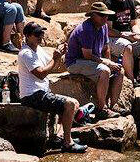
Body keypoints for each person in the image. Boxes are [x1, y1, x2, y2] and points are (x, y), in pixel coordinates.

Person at [15, 21, 87, 153]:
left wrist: (61, 55)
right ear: (27, 36)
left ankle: (62, 137)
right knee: (69, 104)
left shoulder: (39, 50)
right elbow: (41, 74)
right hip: (31, 96)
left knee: (74, 103)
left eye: (41, 33)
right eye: (37, 34)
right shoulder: (26, 53)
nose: (40, 36)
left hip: (41, 92)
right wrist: (55, 58)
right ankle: (67, 143)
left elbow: (52, 65)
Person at [65, 2, 125, 120]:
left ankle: (113, 106)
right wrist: (106, 63)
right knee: (104, 70)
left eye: (106, 15)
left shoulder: (104, 27)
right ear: (93, 15)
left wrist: (110, 62)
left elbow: (106, 48)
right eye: (102, 15)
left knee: (119, 71)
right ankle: (101, 109)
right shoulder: (86, 29)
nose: (105, 18)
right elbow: (87, 55)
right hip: (75, 62)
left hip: (92, 61)